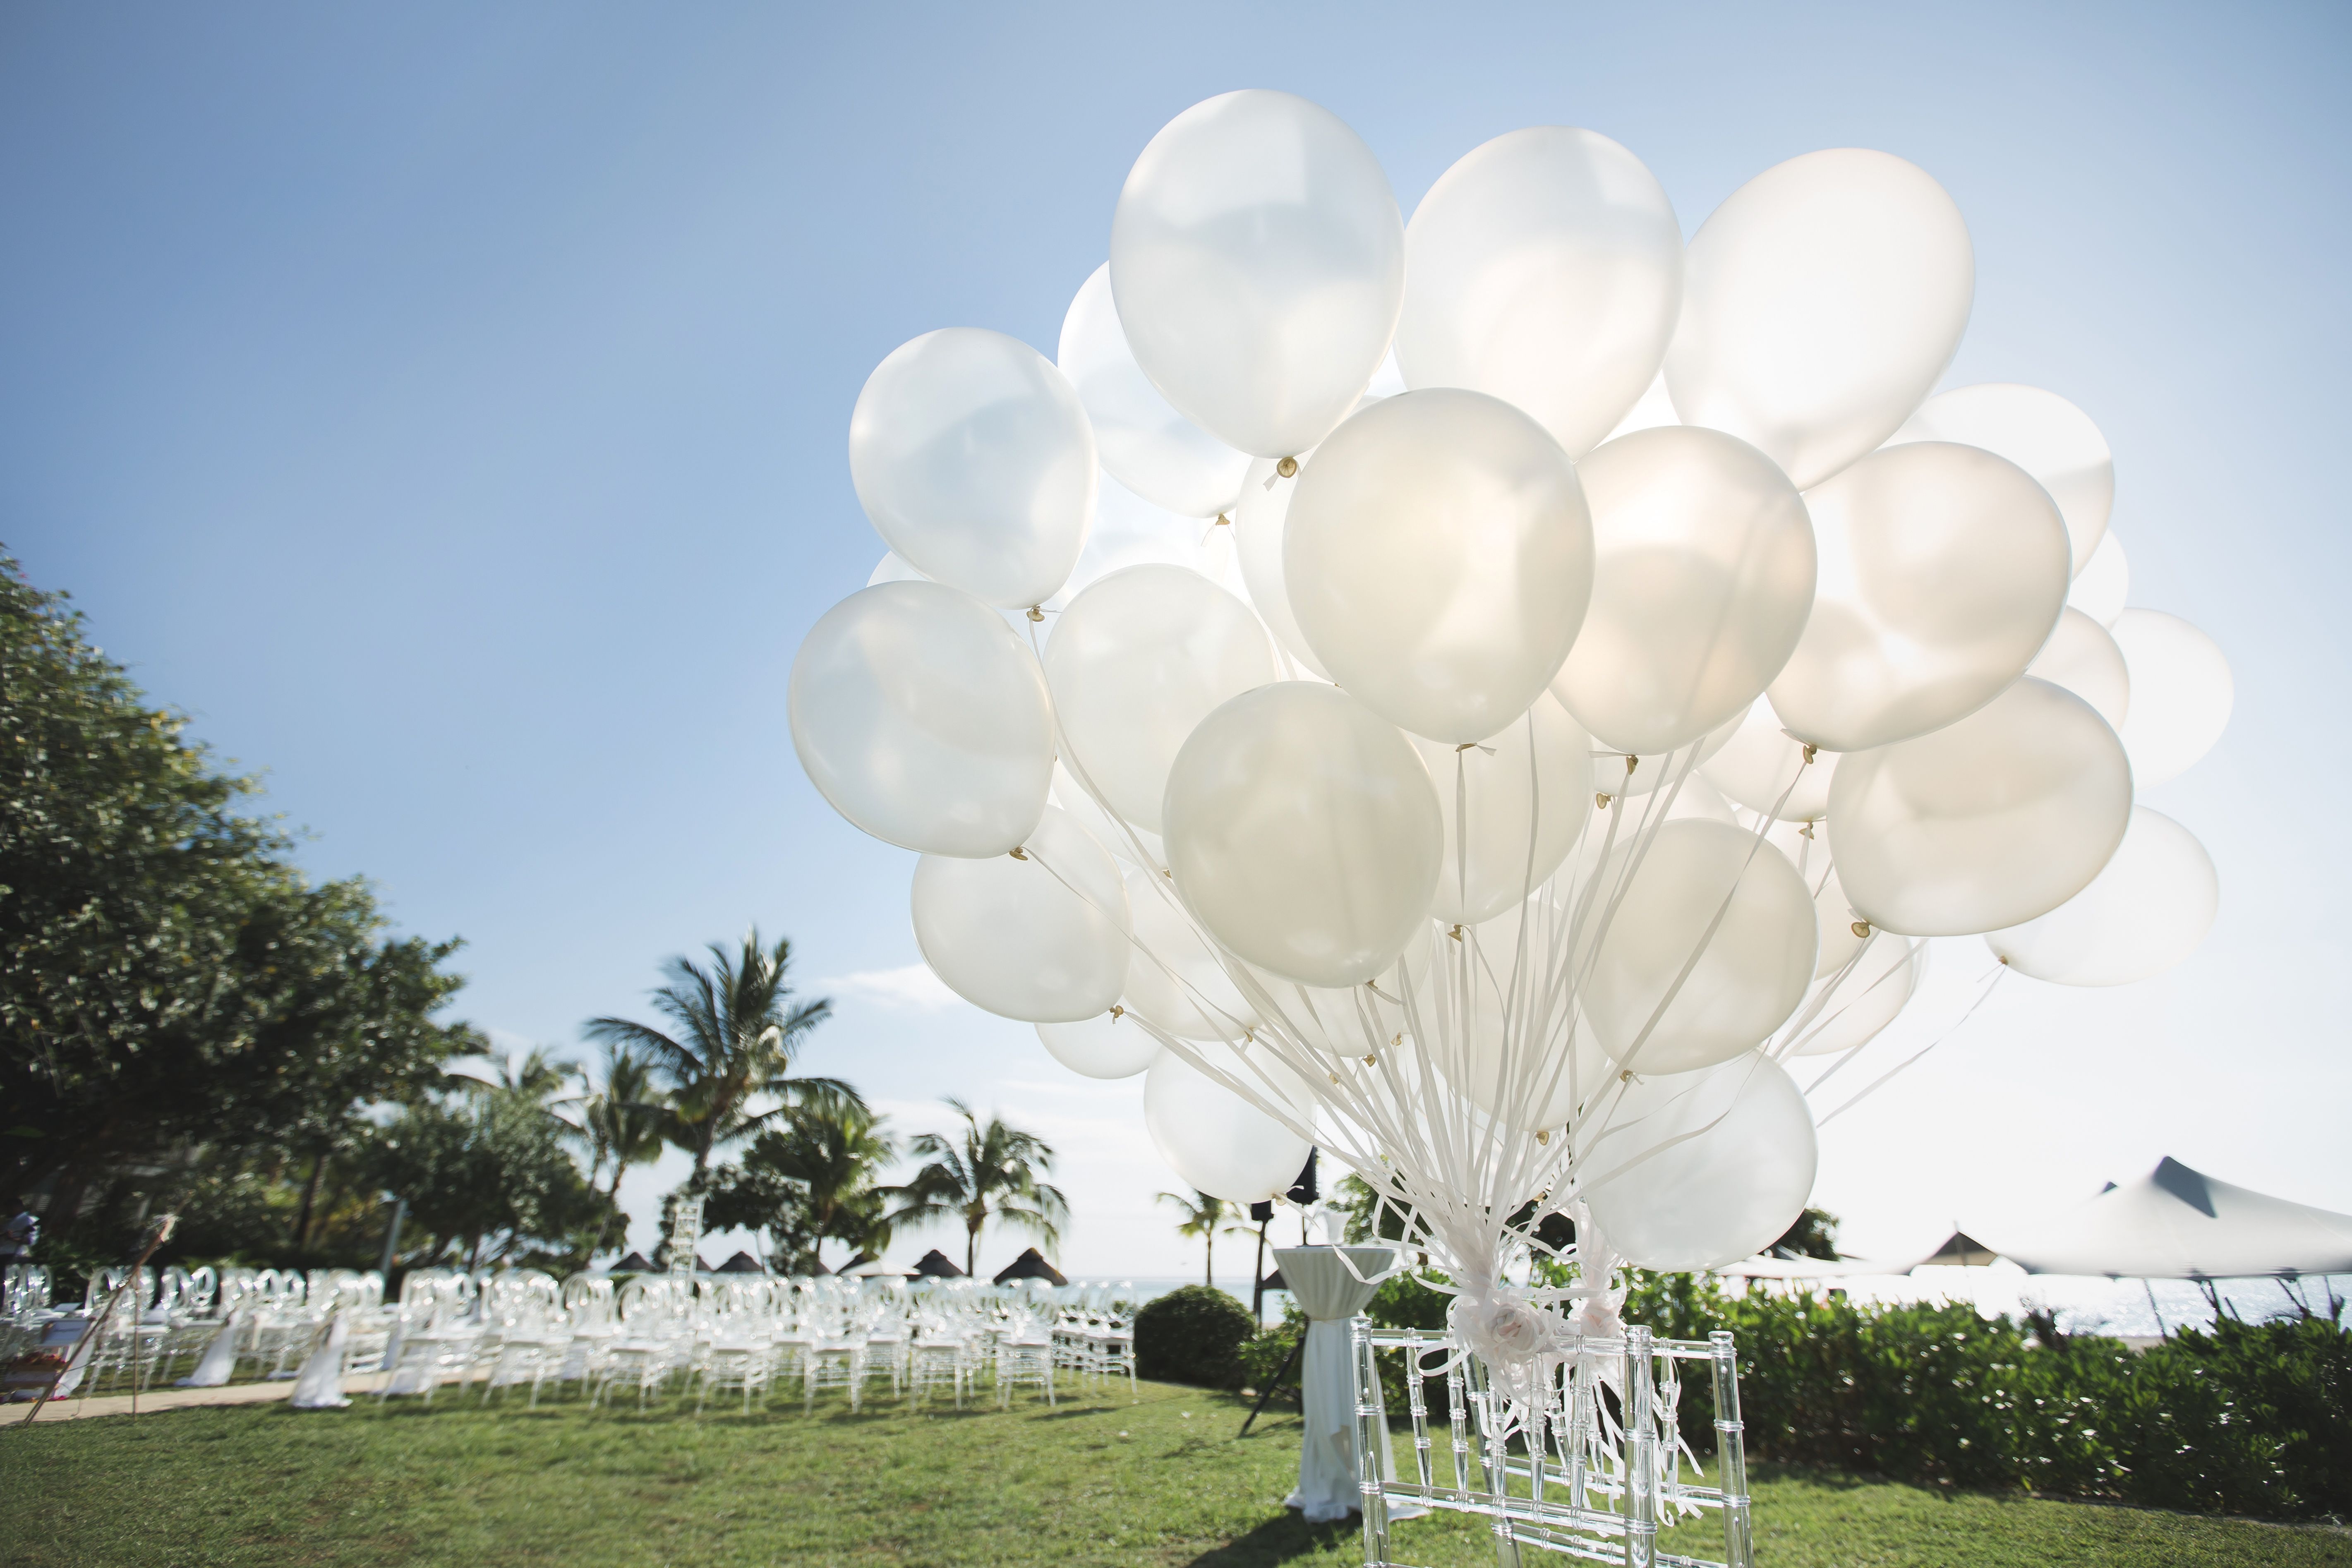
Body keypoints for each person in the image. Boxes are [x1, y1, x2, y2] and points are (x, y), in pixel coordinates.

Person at [0, 1196, 38, 1268]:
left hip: (15, 1255)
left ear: (17, 1207)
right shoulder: (9, 1222)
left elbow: (30, 1241)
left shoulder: (29, 1220)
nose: (6, 1211)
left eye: (9, 1208)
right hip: (3, 1254)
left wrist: (12, 1239)